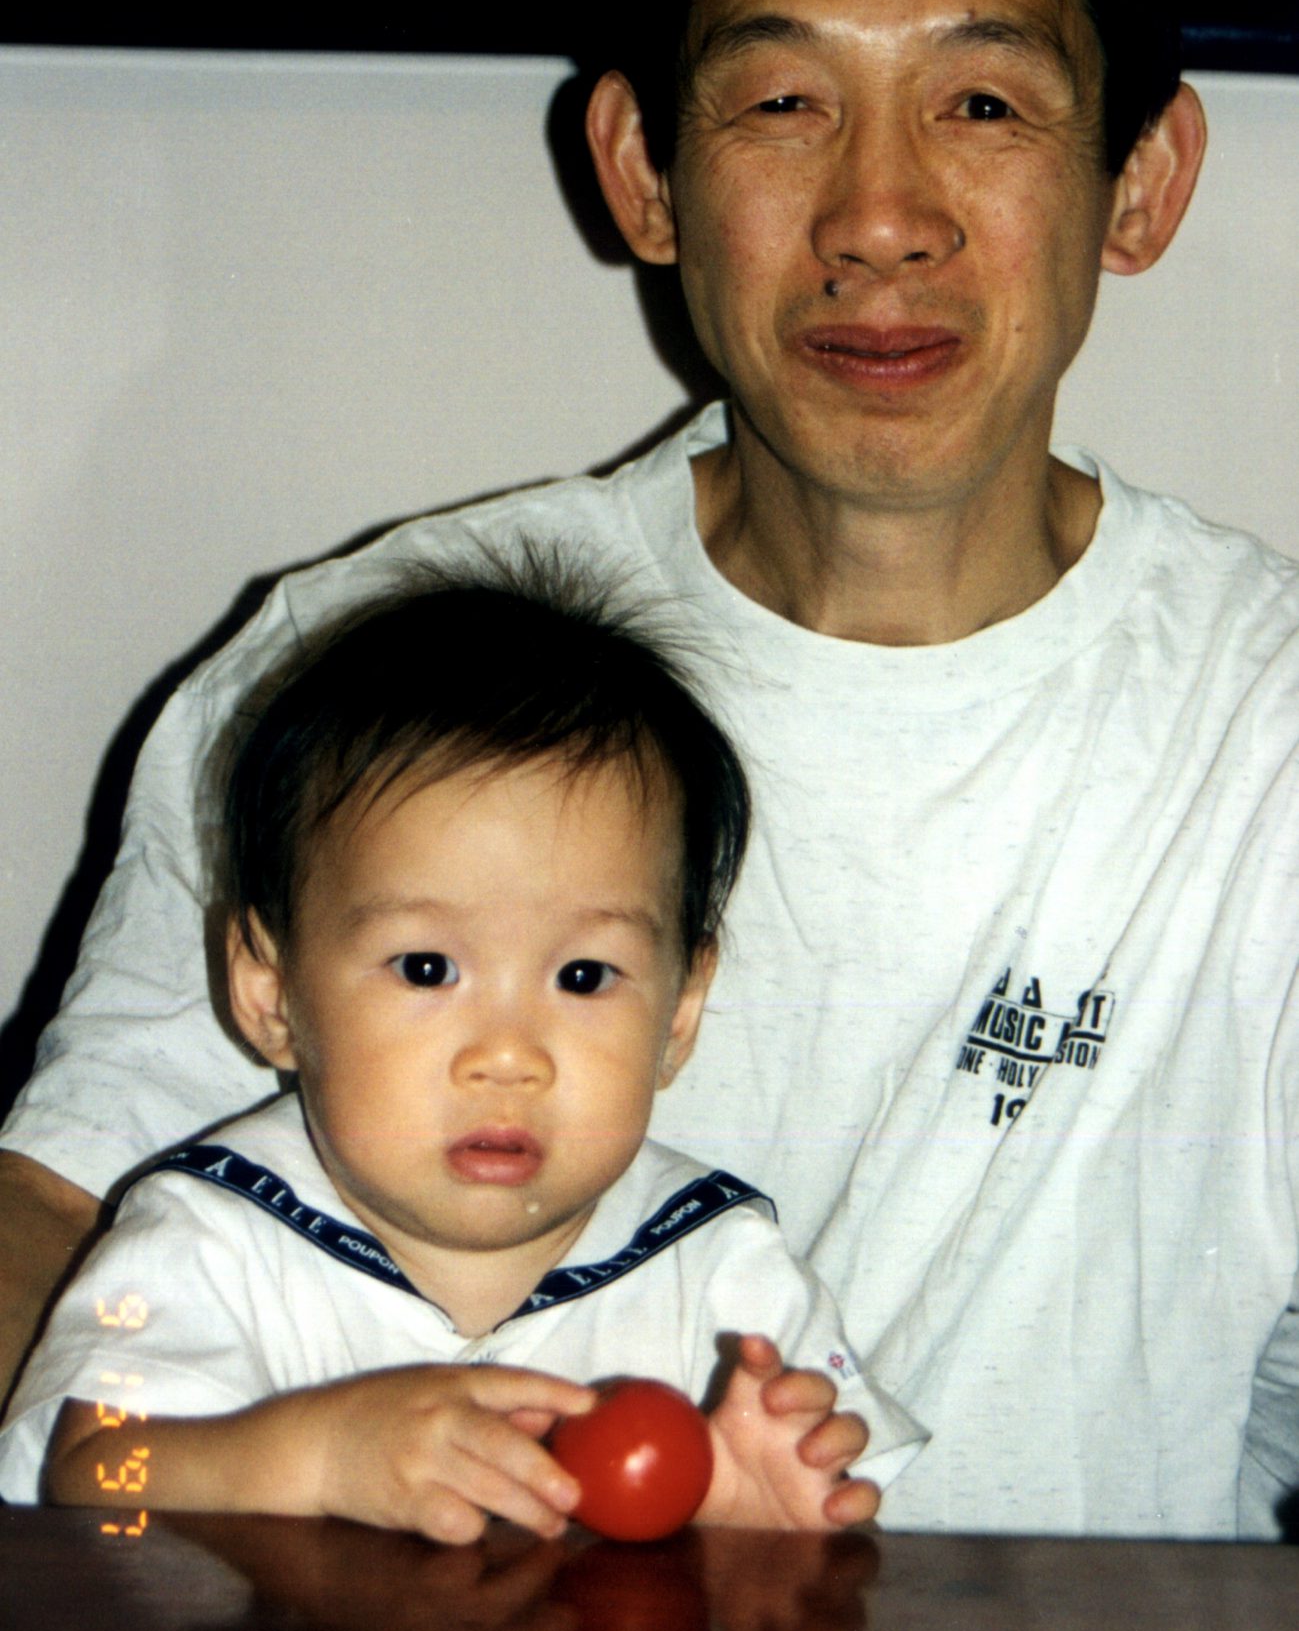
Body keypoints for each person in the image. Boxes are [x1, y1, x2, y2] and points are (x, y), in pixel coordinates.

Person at [1, 0, 1295, 1538]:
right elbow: (57, 1234)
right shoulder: (375, 672)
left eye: (982, 106)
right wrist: (165, 1496)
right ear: (642, 169)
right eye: (779, 102)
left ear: (1140, 181)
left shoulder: (1261, 724)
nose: (877, 220)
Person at [0, 568, 924, 1533]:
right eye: (427, 968)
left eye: (583, 977)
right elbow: (92, 1468)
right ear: (270, 991)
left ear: (680, 1013)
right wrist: (317, 1456)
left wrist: (761, 1522)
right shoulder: (204, 1239)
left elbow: (851, 1542)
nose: (508, 1056)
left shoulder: (726, 1273)